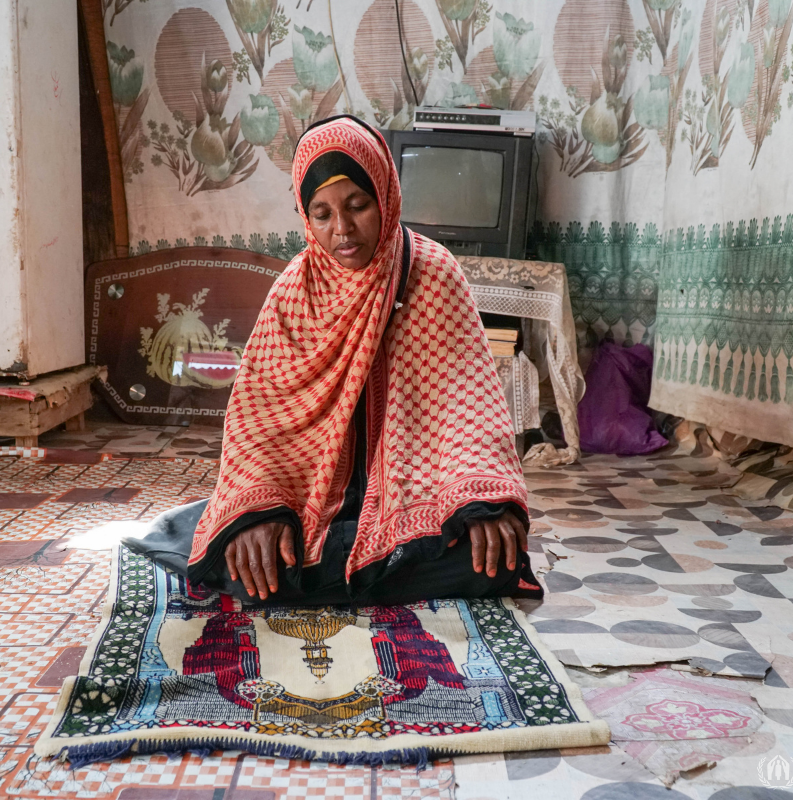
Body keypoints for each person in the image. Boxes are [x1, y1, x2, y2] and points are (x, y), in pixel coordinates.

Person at [126, 115, 541, 606]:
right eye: (321, 214)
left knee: (494, 555)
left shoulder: (432, 274)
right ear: (305, 217)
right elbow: (259, 421)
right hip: (311, 500)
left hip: (413, 496)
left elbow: (470, 408)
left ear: (384, 195)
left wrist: (481, 500)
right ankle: (347, 568)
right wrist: (259, 513)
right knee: (253, 560)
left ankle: (342, 573)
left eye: (358, 205)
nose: (342, 230)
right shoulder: (293, 293)